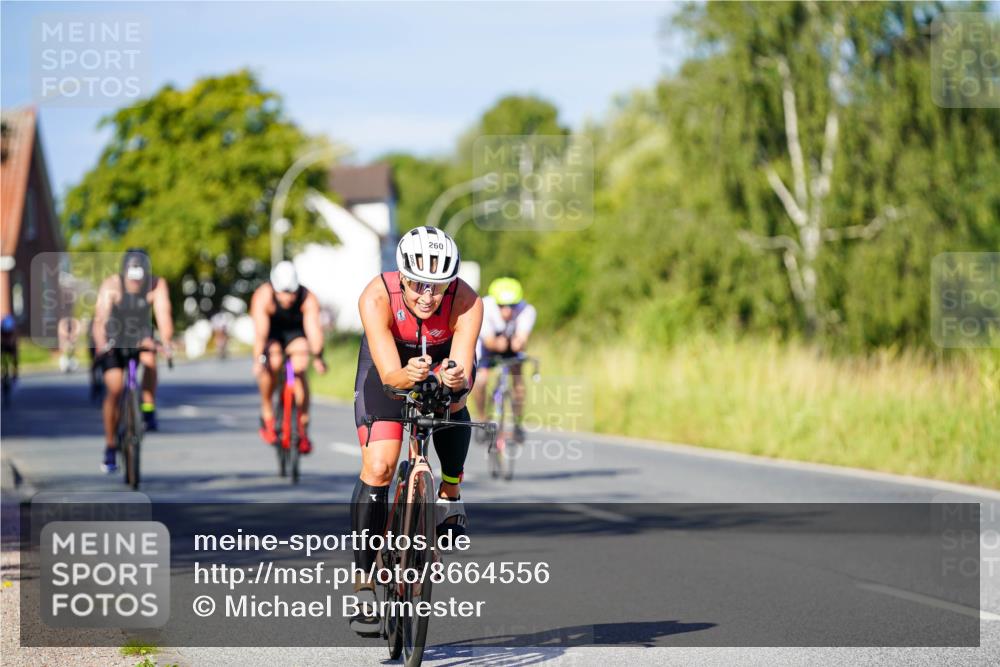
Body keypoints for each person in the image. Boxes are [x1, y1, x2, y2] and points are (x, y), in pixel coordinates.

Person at [349, 225, 482, 636]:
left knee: (455, 400)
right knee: (381, 467)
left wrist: (454, 378)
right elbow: (390, 376)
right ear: (401, 276)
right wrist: (406, 375)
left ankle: (451, 491)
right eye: (418, 285)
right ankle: (365, 579)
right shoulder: (376, 296)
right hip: (387, 367)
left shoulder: (467, 301)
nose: (427, 296)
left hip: (439, 361)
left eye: (438, 287)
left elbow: (464, 368)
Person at [92, 249, 174, 473]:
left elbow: (164, 315)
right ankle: (110, 446)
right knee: (116, 388)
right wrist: (102, 344)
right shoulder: (112, 286)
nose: (136, 284)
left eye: (141, 279)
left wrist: (166, 342)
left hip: (140, 335)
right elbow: (101, 319)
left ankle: (147, 406)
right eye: (132, 278)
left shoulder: (156, 285)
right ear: (124, 273)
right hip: (114, 337)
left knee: (150, 358)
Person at [250, 261, 327, 454]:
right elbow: (261, 333)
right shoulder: (263, 296)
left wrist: (318, 356)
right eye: (283, 293)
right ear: (274, 288)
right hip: (273, 334)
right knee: (273, 362)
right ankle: (267, 410)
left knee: (299, 366)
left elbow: (314, 330)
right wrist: (259, 359)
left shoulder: (308, 298)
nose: (288, 298)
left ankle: (302, 424)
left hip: (295, 334)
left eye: (292, 292)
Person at [472, 277, 537, 443]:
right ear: (495, 302)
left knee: (518, 379)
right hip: (488, 345)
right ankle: (482, 419)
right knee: (481, 380)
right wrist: (503, 343)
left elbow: (521, 341)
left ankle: (517, 423)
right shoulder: (484, 307)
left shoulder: (527, 310)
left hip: (509, 344)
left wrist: (519, 342)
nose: (507, 311)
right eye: (502, 306)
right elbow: (490, 342)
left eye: (512, 306)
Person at [1, 314, 18, 384]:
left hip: (11, 345)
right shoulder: (2, 328)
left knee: (14, 358)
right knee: (3, 358)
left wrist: (12, 342)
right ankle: (5, 371)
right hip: (4, 345)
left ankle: (15, 373)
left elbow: (15, 337)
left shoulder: (13, 329)